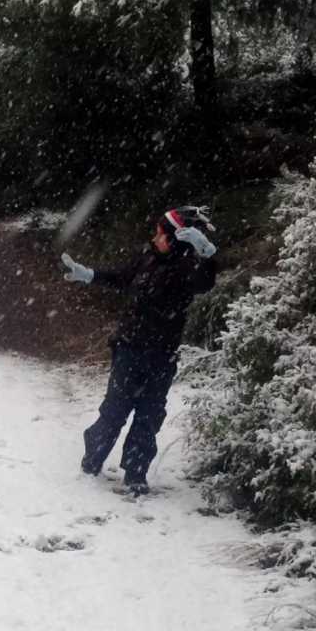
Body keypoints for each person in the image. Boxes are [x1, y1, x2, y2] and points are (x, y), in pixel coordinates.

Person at [60, 207, 218, 494]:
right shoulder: (147, 258)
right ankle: (91, 463)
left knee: (149, 415)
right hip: (129, 349)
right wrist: (90, 275)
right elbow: (121, 277)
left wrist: (206, 254)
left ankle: (135, 474)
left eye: (160, 233)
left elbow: (205, 282)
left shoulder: (186, 268)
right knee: (114, 410)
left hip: (161, 356)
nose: (154, 237)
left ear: (175, 238)